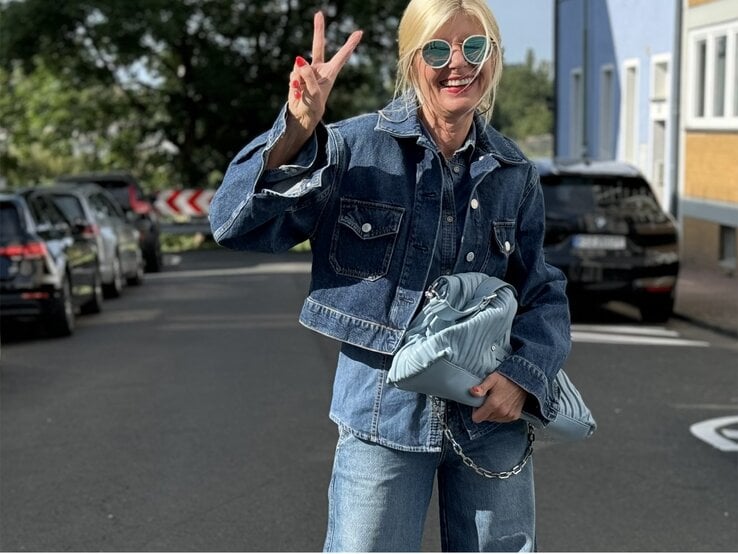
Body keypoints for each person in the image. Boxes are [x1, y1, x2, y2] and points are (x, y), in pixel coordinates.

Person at [208, 0, 571, 550]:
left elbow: (541, 290)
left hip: (490, 420)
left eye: (474, 47)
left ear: (493, 59)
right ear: (410, 58)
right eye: (437, 49)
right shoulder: (353, 148)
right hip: (383, 416)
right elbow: (233, 225)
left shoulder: (514, 172)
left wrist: (523, 376)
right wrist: (297, 132)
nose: (459, 64)